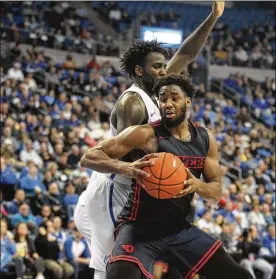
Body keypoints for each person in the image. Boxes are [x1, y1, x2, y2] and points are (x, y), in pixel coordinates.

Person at [75, 3, 225, 279]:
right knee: (113, 267)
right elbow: (129, 159)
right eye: (157, 67)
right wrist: (177, 170)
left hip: (133, 191)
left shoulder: (159, 89)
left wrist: (212, 17)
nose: (163, 71)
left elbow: (188, 53)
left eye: (163, 66)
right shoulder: (133, 103)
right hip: (113, 190)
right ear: (139, 71)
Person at [81, 74, 253, 279]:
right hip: (138, 227)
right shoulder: (145, 134)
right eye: (163, 98)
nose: (167, 103)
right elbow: (89, 157)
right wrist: (126, 167)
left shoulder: (206, 139)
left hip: (178, 229)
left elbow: (215, 191)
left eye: (174, 97)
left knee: (240, 275)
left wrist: (197, 185)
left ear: (187, 100)